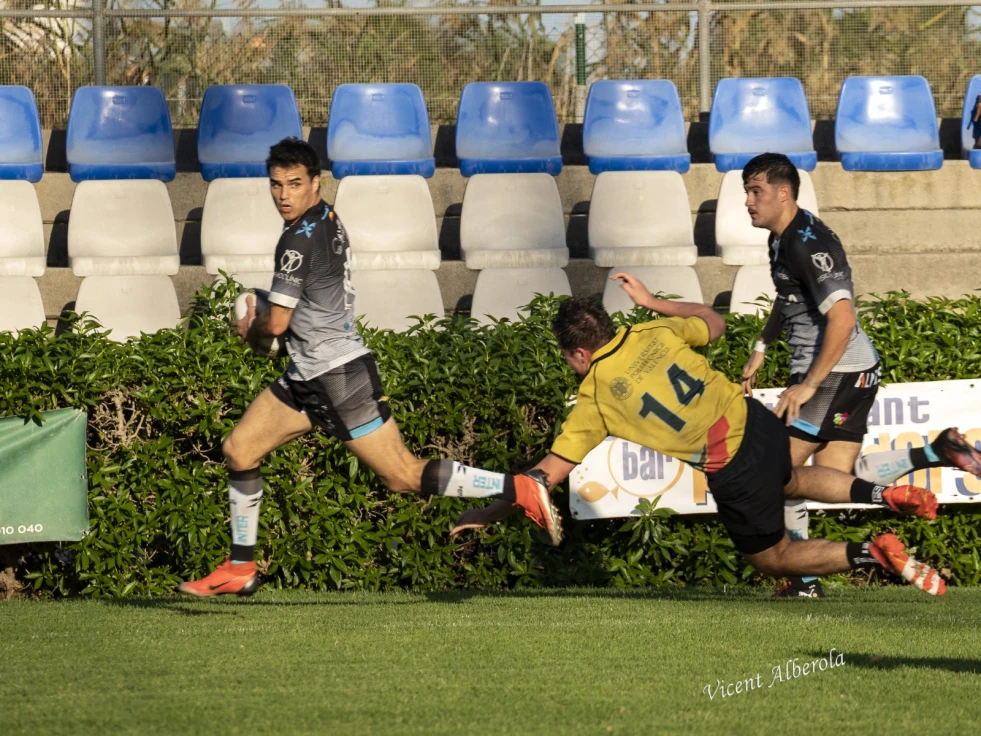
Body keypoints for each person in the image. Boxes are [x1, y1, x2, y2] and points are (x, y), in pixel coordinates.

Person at [178, 138, 560, 597]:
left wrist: (252, 329)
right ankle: (241, 567)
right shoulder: (327, 218)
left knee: (402, 474)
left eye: (294, 184)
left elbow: (276, 323)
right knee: (240, 449)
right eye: (276, 185)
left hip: (336, 375)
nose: (284, 194)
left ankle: (519, 488)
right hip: (306, 375)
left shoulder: (296, 239)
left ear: (315, 183)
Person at [452, 290, 947, 596]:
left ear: (579, 353)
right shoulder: (653, 331)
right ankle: (883, 495)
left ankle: (872, 552)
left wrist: (483, 514)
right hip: (756, 421)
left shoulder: (595, 396)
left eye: (567, 358)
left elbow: (542, 478)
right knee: (793, 477)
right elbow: (715, 322)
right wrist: (652, 303)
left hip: (731, 467)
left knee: (771, 557)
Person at [738, 153, 981, 598]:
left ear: (784, 192)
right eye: (746, 193)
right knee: (833, 477)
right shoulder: (783, 237)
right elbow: (789, 296)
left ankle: (805, 580)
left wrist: (808, 383)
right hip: (854, 371)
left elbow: (844, 319)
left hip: (833, 375)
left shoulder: (807, 243)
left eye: (756, 192)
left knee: (776, 476)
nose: (749, 203)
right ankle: (933, 453)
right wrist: (761, 346)